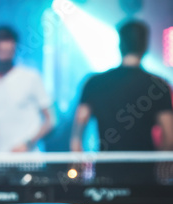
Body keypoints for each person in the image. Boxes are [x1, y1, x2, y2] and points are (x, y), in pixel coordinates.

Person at [71, 20, 173, 151]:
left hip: (106, 168)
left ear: (120, 45)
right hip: (144, 169)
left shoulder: (95, 82)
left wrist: (78, 160)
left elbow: (77, 135)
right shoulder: (159, 86)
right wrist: (158, 164)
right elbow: (169, 137)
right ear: (145, 46)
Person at [0, 26, 54, 153]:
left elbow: (51, 120)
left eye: (8, 51)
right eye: (1, 51)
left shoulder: (31, 77)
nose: (4, 55)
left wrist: (28, 144)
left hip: (30, 160)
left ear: (14, 49)